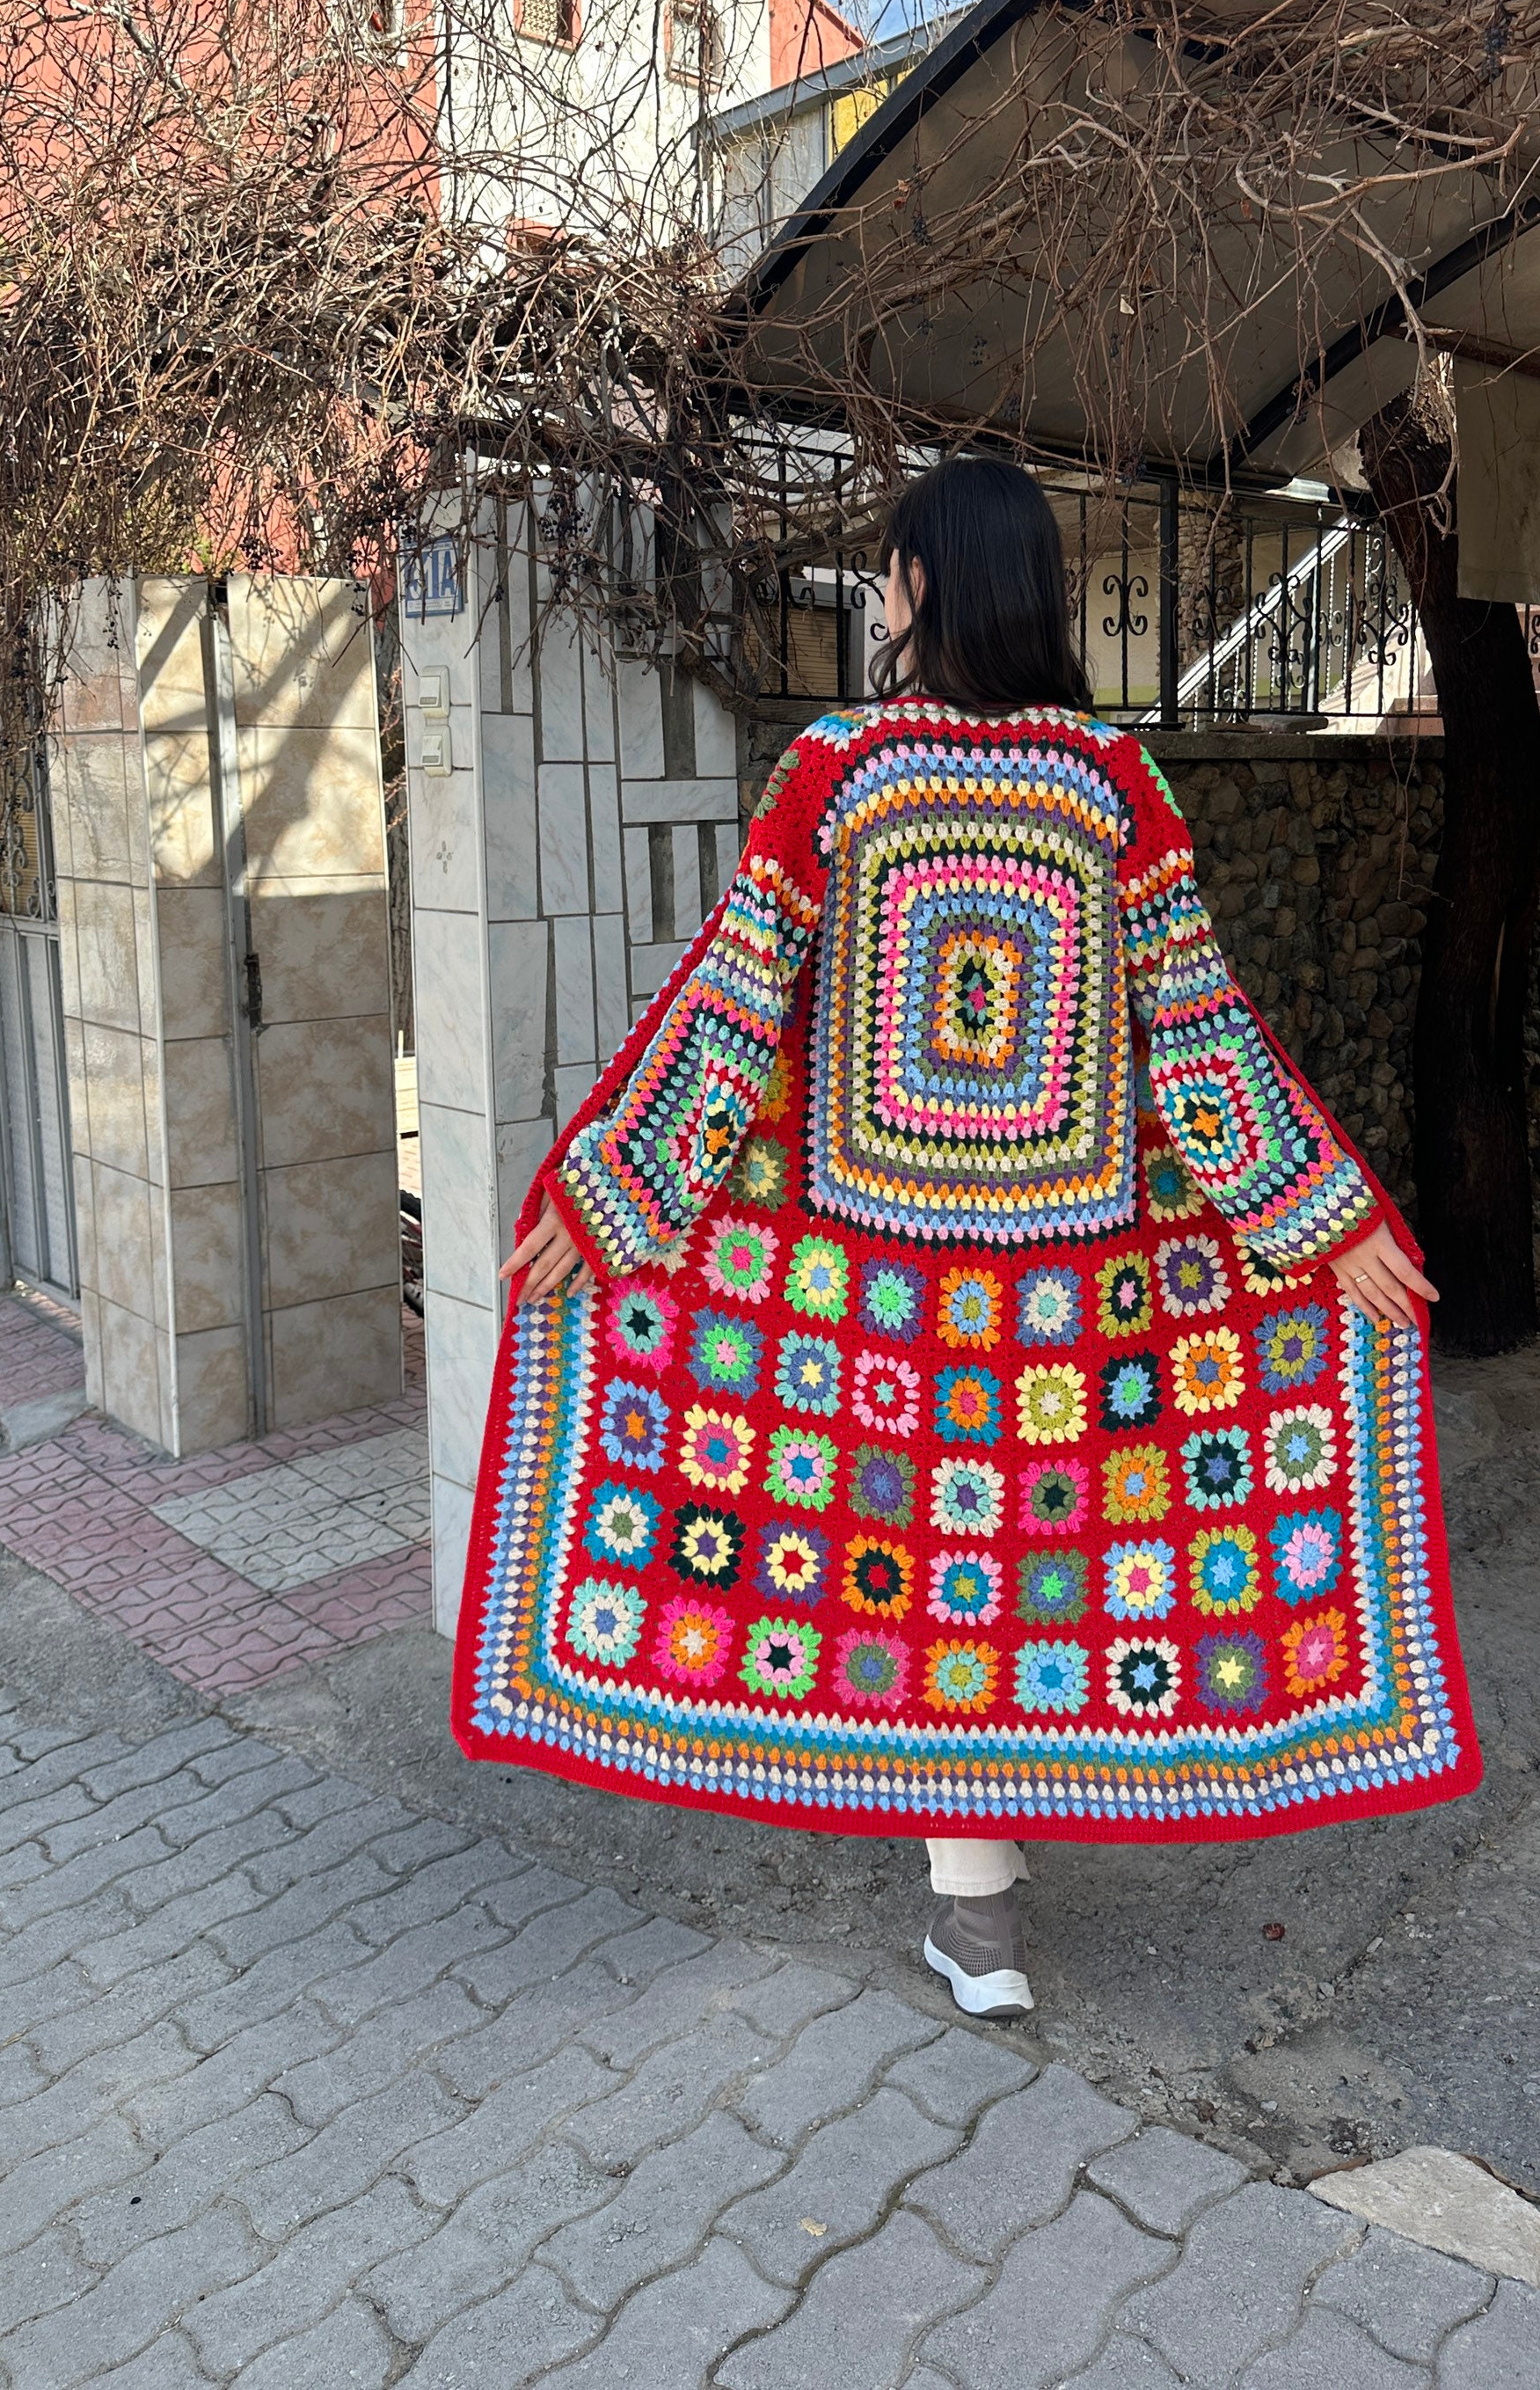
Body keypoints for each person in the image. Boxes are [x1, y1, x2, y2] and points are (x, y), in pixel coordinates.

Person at [453, 456, 1479, 2021]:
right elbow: (1202, 1044)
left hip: (866, 1284)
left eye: (886, 569)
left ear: (926, 583)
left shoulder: (837, 771)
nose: (875, 594)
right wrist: (1317, 1217)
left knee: (922, 1589)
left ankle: (978, 1927)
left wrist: (615, 1191)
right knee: (1029, 1575)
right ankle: (986, 1916)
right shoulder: (1107, 780)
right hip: (1071, 1282)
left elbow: (728, 1014)